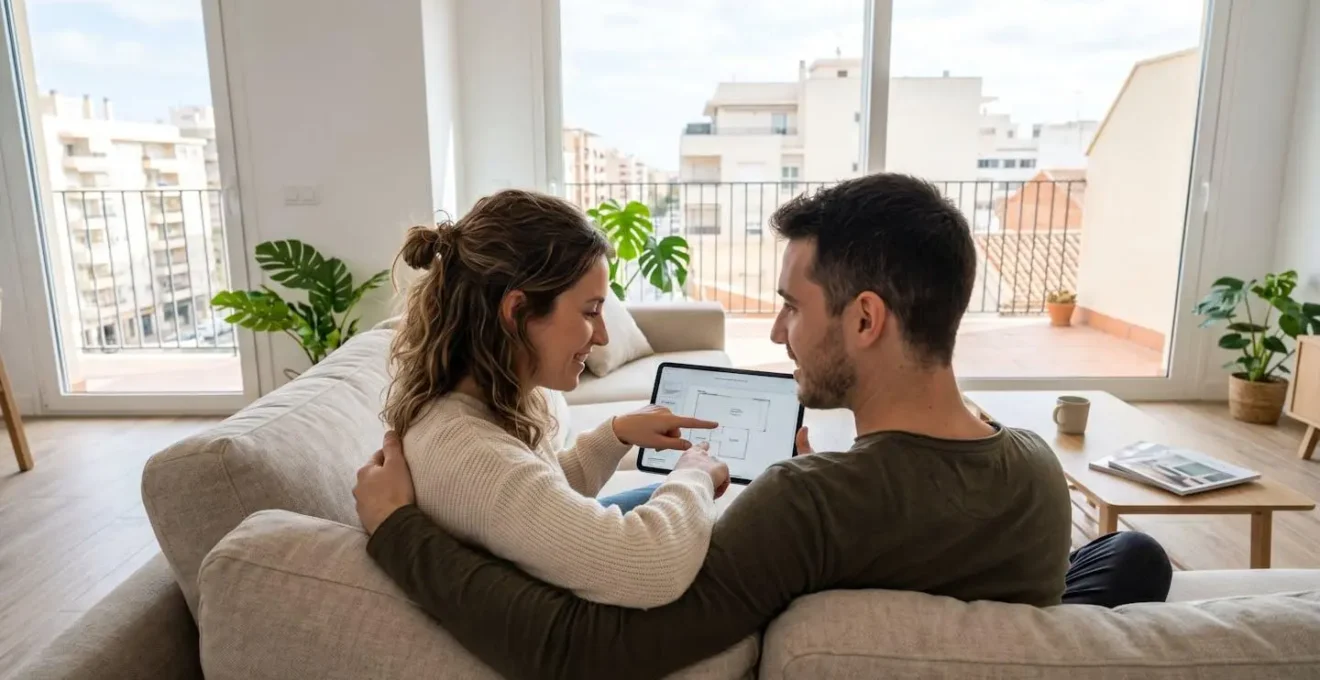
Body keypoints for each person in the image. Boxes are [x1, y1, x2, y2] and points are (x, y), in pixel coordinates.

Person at [355, 175, 1173, 679]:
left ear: (864, 320)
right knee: (1134, 554)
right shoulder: (1034, 473)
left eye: (790, 305)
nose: (778, 334)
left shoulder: (804, 506)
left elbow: (579, 649)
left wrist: (400, 533)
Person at [381, 188, 731, 610]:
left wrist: (615, 435)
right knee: (725, 506)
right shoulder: (466, 451)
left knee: (717, 503)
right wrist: (692, 472)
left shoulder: (489, 401)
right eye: (589, 312)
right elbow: (648, 566)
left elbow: (537, 499)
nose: (601, 336)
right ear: (517, 312)